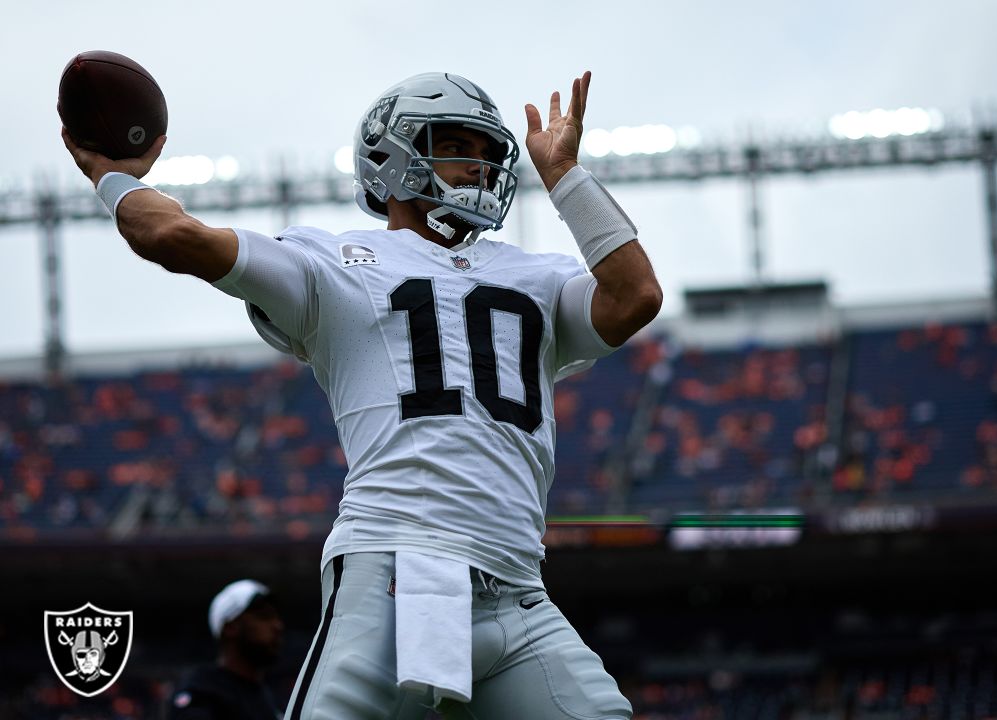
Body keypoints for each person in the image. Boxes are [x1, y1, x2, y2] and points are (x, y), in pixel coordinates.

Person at [63, 69, 660, 719]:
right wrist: (112, 175)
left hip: (519, 593)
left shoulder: (540, 277)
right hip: (396, 576)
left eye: (489, 154)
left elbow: (636, 296)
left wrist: (566, 173)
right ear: (392, 156)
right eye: (458, 145)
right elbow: (174, 237)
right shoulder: (336, 262)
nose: (478, 167)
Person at [171, 579, 285, 720]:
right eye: (263, 617)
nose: (277, 626)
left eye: (276, 617)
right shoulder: (202, 690)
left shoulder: (266, 697)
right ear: (231, 628)